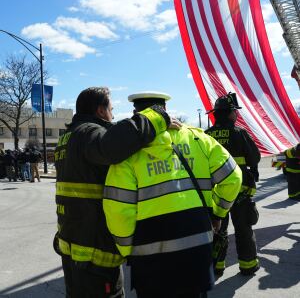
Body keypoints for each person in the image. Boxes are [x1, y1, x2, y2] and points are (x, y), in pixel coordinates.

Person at [103, 91, 242, 298]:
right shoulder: (197, 138)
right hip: (197, 253)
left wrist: (127, 251)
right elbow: (233, 177)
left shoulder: (128, 153)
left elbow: (118, 210)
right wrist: (218, 214)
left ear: (137, 113)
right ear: (165, 110)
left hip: (150, 260)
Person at [54, 87, 177, 298]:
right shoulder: (88, 133)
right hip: (94, 250)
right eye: (111, 109)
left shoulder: (68, 137)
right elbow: (111, 146)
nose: (112, 113)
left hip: (73, 241)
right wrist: (157, 117)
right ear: (101, 111)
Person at [205, 92, 261, 276]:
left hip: (215, 193)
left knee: (217, 229)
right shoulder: (239, 133)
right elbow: (255, 157)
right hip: (240, 191)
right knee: (243, 228)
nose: (237, 115)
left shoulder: (206, 136)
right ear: (230, 113)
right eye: (235, 112)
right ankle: (248, 265)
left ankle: (217, 266)